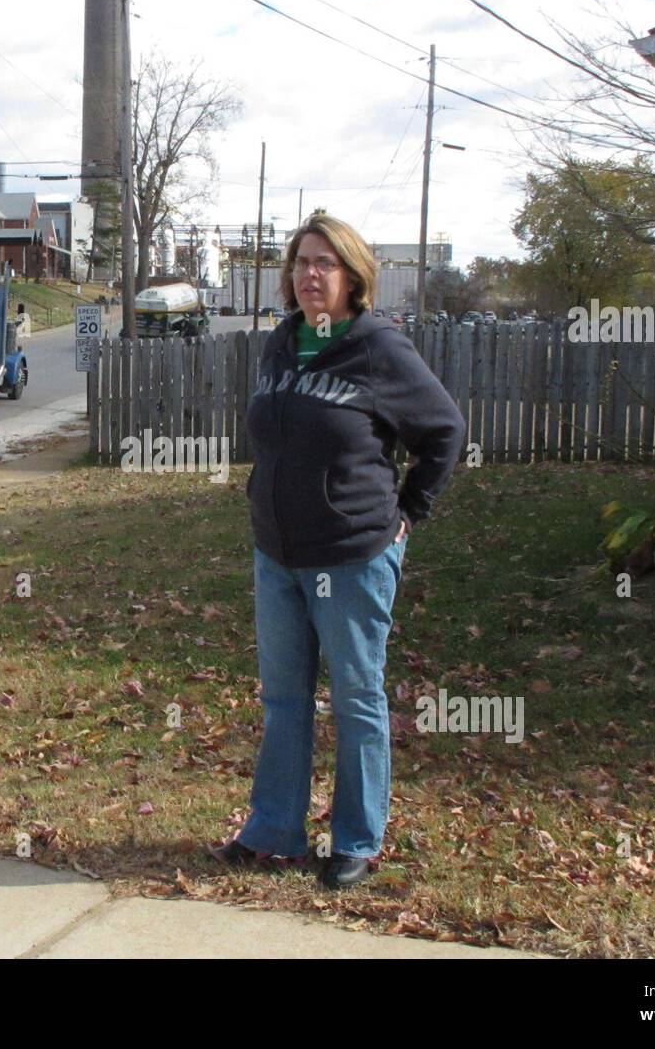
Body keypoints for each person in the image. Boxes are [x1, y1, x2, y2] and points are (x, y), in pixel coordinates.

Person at [208, 213, 466, 890]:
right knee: (285, 699)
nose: (309, 274)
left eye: (324, 263)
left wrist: (412, 508)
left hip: (352, 555)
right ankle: (273, 832)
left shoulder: (379, 349)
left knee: (356, 697)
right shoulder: (281, 343)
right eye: (300, 263)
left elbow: (443, 430)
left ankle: (356, 839)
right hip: (278, 556)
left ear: (353, 278)